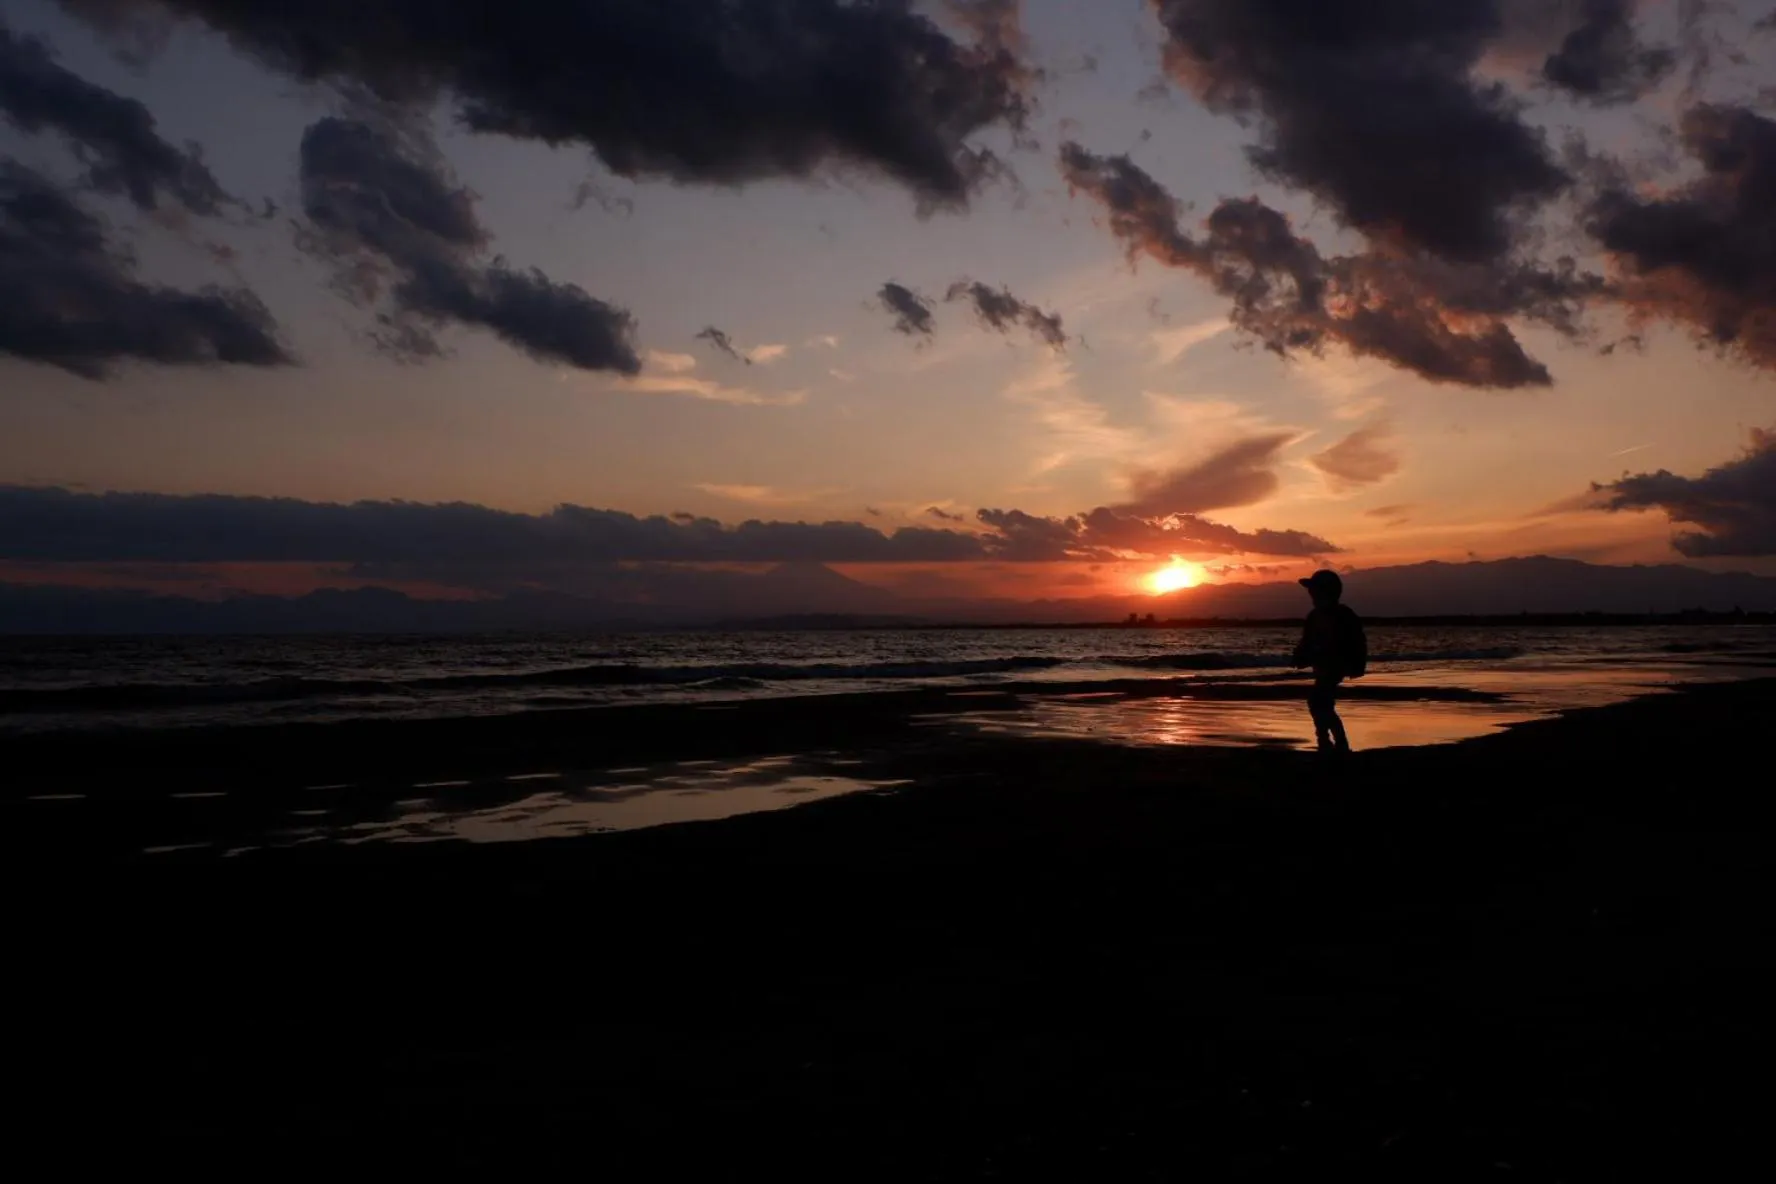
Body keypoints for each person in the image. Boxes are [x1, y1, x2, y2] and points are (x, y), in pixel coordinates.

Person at [1292, 569, 1366, 755]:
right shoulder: (1314, 616)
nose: (1311, 594)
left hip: (1336, 665)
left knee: (1319, 701)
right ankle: (1329, 740)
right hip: (1322, 665)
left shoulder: (1343, 615)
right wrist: (1300, 655)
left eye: (1315, 590)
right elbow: (1306, 641)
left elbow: (1358, 641)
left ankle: (1333, 741)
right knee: (1321, 703)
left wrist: (1357, 664)